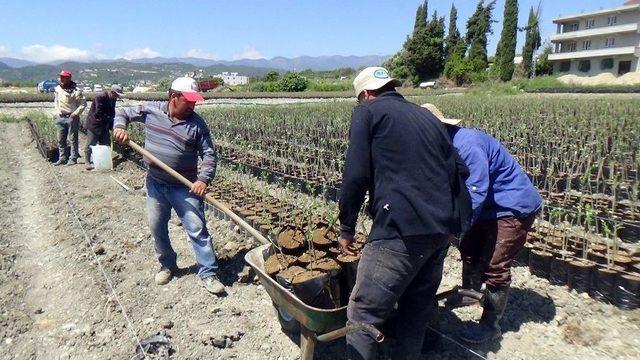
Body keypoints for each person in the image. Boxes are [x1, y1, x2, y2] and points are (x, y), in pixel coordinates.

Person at [338, 67, 468, 360]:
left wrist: (346, 227)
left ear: (366, 94)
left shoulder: (367, 112)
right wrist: (455, 225)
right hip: (439, 232)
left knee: (363, 315)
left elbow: (356, 175)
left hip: (399, 232)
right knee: (415, 310)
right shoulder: (427, 117)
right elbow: (460, 170)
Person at [422, 103, 543, 344]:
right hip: (487, 208)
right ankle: (472, 294)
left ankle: (491, 324)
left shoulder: (467, 145)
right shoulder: (442, 148)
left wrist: (454, 229)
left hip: (511, 207)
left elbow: (475, 192)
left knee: (496, 266)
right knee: (470, 252)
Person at [112, 77, 225, 296]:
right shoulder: (151, 110)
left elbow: (209, 155)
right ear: (173, 97)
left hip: (185, 187)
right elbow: (123, 113)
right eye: (189, 100)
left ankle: (208, 273)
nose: (193, 105)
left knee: (197, 229)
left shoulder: (197, 125)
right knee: (157, 227)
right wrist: (120, 128)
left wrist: (203, 179)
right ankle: (168, 265)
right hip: (156, 183)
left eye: (195, 101)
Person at [84, 84, 124, 170]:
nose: (117, 97)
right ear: (112, 92)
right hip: (95, 124)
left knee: (105, 143)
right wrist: (109, 119)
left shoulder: (113, 99)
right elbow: (99, 112)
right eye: (117, 95)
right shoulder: (100, 97)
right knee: (91, 143)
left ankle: (103, 161)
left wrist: (113, 123)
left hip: (105, 125)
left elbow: (112, 111)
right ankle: (87, 162)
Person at [53, 70, 87, 166]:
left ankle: (73, 158)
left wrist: (75, 113)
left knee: (72, 138)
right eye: (61, 77)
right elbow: (56, 101)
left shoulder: (76, 90)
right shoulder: (58, 89)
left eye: (64, 77)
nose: (61, 79)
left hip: (72, 117)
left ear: (68, 78)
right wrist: (56, 112)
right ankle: (62, 158)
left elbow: (83, 104)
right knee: (60, 138)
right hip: (60, 116)